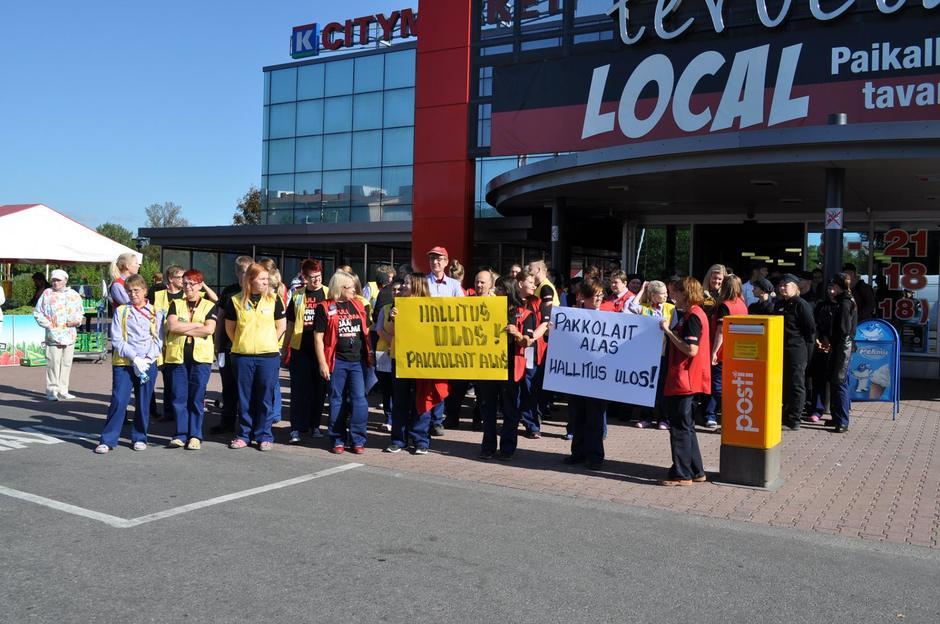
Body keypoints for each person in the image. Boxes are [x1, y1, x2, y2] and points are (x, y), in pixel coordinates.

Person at [95, 274, 164, 454]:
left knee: (143, 402)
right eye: (129, 291)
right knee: (119, 400)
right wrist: (135, 358)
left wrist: (147, 359)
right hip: (124, 363)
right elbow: (117, 339)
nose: (133, 294)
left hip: (147, 363)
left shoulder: (156, 312)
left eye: (136, 290)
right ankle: (108, 440)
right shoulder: (121, 311)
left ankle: (140, 437)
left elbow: (159, 339)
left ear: (145, 291)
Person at [224, 262, 287, 451]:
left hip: (268, 357)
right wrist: (242, 343)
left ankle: (264, 435)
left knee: (265, 397)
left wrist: (269, 342)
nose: (266, 282)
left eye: (267, 279)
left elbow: (281, 326)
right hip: (242, 356)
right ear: (250, 280)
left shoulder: (274, 300)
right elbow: (230, 329)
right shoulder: (235, 301)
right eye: (262, 279)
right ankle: (244, 434)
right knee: (245, 397)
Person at [479, 275, 538, 461]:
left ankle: (507, 448)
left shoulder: (525, 313)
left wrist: (517, 333)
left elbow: (528, 342)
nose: (496, 291)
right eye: (496, 288)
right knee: (488, 409)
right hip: (489, 367)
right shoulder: (486, 310)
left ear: (509, 291)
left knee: (510, 410)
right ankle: (488, 447)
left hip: (511, 370)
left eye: (501, 288)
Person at [315, 270, 373, 454]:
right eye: (350, 287)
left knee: (360, 401)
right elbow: (318, 338)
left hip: (357, 362)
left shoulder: (359, 305)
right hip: (336, 361)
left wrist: (370, 355)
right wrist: (322, 363)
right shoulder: (324, 307)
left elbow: (366, 332)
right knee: (336, 401)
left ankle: (358, 439)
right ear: (339, 288)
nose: (354, 290)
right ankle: (337, 439)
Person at [659, 277, 711, 486]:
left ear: (686, 293)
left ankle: (682, 474)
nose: (674, 296)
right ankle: (697, 471)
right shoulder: (694, 314)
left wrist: (668, 331)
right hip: (687, 377)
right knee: (686, 426)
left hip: (684, 378)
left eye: (677, 292)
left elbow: (691, 349)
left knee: (680, 427)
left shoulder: (693, 317)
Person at [164, 269, 218, 450]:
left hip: (200, 358)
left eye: (191, 284)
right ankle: (180, 434)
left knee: (196, 397)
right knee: (179, 397)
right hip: (177, 357)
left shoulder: (209, 305)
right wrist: (196, 325)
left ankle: (195, 435)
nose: (187, 287)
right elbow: (172, 326)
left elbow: (209, 330)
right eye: (185, 283)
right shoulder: (176, 303)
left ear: (200, 285)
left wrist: (184, 328)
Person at [385, 273, 436, 454]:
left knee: (421, 399)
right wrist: (393, 318)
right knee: (400, 400)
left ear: (417, 285)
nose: (403, 286)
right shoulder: (397, 305)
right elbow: (391, 331)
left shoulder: (431, 306)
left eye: (407, 283)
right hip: (400, 359)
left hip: (422, 360)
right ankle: (398, 440)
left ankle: (421, 440)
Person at [562, 280, 610, 470]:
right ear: (583, 297)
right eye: (594, 296)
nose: (598, 299)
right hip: (577, 375)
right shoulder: (572, 317)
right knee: (578, 415)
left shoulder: (609, 318)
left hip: (597, 377)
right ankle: (578, 452)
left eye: (600, 295)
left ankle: (595, 456)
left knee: (595, 418)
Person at [282, 259, 329, 443]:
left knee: (319, 389)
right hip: (300, 348)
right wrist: (285, 348)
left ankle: (315, 425)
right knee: (299, 390)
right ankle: (296, 427)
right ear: (304, 277)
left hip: (322, 350)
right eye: (312, 277)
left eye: (319, 276)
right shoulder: (297, 295)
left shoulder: (328, 293)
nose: (316, 280)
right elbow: (290, 324)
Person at [211, 255, 254, 434]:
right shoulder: (229, 292)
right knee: (229, 386)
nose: (248, 276)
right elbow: (220, 319)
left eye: (251, 272)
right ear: (237, 273)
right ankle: (227, 422)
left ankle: (249, 426)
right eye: (244, 272)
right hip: (228, 347)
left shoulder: (257, 292)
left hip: (250, 348)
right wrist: (217, 344)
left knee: (248, 389)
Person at [627, 280, 676, 429]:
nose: (666, 295)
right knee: (647, 386)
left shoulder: (671, 308)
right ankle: (646, 417)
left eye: (666, 292)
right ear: (653, 295)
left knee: (662, 387)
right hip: (647, 355)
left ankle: (663, 419)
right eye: (662, 293)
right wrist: (642, 289)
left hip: (663, 354)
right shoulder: (645, 308)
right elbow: (631, 307)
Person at [426, 246, 463, 436]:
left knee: (441, 381)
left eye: (439, 259)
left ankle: (437, 419)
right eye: (432, 259)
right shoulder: (422, 283)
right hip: (425, 339)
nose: (435, 262)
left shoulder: (454, 285)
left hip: (446, 340)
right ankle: (425, 418)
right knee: (425, 381)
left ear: (446, 262)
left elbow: (464, 310)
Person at [703, 274, 748, 429]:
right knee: (730, 384)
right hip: (738, 350)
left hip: (723, 350)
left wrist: (714, 352)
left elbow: (721, 331)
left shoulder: (725, 305)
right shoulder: (742, 304)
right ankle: (725, 413)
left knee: (717, 384)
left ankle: (711, 414)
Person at [33, 269, 84, 401]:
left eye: (58, 280)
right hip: (53, 335)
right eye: (53, 280)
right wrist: (49, 325)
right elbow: (38, 312)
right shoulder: (47, 293)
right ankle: (52, 391)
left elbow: (80, 311)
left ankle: (63, 390)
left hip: (69, 334)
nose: (55, 283)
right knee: (53, 363)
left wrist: (77, 321)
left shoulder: (74, 294)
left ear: (65, 280)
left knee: (66, 363)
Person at [774, 274, 816, 430]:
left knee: (796, 384)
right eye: (780, 285)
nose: (782, 288)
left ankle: (794, 419)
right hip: (780, 349)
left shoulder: (801, 304)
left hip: (796, 349)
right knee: (784, 383)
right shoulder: (779, 304)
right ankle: (784, 415)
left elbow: (810, 328)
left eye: (785, 285)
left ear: (795, 287)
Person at [819, 273, 858, 433]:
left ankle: (842, 421)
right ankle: (837, 417)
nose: (831, 290)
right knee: (837, 382)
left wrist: (831, 339)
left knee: (839, 382)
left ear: (839, 286)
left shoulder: (844, 303)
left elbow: (844, 329)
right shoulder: (845, 300)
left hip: (843, 346)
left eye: (833, 286)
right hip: (842, 345)